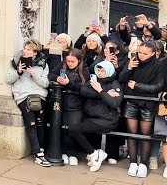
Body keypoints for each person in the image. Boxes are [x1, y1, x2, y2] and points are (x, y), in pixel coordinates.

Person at [118, 41, 165, 177]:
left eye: (145, 53)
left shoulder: (158, 65)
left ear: (153, 53)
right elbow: (121, 79)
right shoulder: (133, 61)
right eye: (140, 52)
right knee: (131, 133)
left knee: (145, 134)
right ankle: (133, 162)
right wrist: (128, 68)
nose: (141, 55)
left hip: (148, 103)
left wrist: (137, 86)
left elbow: (159, 86)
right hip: (131, 101)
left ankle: (143, 164)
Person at [70, 60, 123, 172]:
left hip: (107, 120)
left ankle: (95, 154)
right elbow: (84, 90)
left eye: (102, 70)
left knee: (74, 129)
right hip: (91, 117)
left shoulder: (114, 83)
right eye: (98, 70)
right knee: (74, 129)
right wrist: (103, 93)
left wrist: (100, 90)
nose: (100, 72)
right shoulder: (94, 80)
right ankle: (94, 154)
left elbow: (115, 103)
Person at [5, 39, 51, 167]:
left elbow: (46, 83)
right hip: (23, 95)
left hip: (39, 95)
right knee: (31, 123)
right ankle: (37, 153)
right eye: (24, 48)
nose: (25, 51)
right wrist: (18, 71)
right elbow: (8, 79)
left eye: (28, 49)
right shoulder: (16, 62)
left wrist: (34, 74)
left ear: (35, 52)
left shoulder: (43, 65)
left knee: (40, 122)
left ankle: (41, 149)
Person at [48, 48, 89, 166]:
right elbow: (51, 75)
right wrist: (57, 79)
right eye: (68, 61)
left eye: (72, 61)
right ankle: (64, 152)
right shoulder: (62, 65)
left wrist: (68, 83)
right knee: (62, 129)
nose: (70, 64)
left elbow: (83, 88)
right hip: (61, 103)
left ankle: (74, 154)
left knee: (73, 129)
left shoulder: (84, 71)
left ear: (79, 61)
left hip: (76, 105)